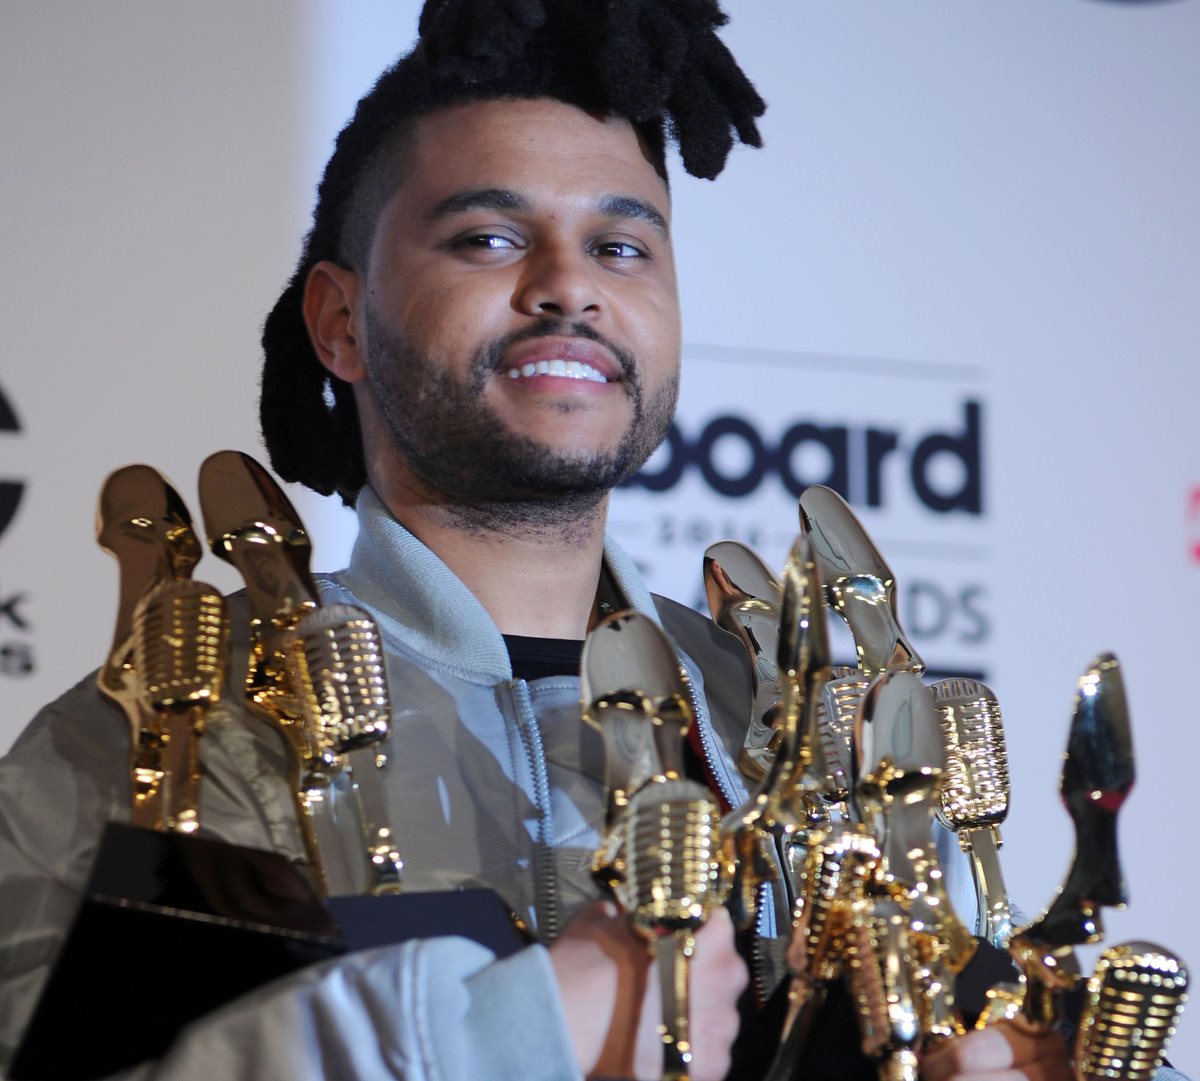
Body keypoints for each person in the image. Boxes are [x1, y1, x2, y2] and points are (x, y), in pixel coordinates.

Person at [0, 2, 1123, 1079]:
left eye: (623, 247)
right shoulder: (174, 737)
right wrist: (507, 1037)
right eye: (488, 237)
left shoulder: (799, 738)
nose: (568, 286)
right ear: (340, 322)